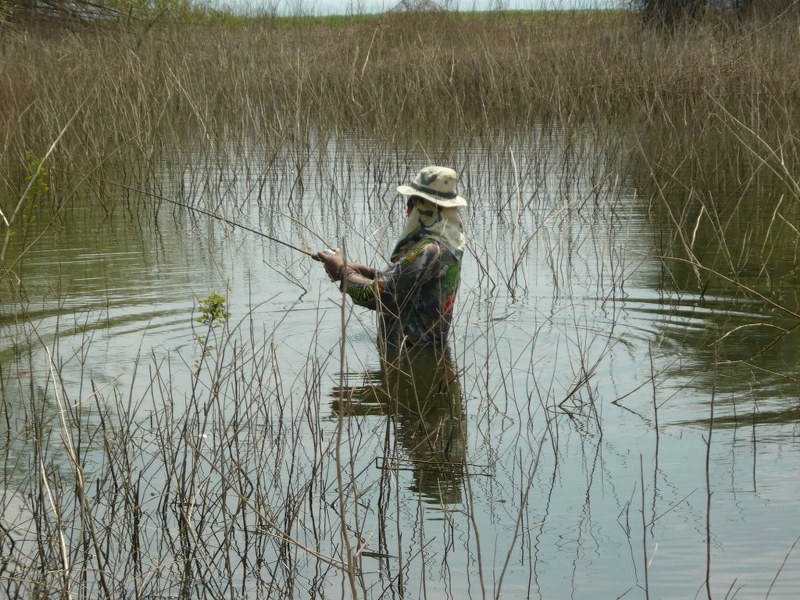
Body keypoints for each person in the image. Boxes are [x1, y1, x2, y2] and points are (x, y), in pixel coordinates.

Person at [318, 165, 467, 352]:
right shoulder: (449, 242)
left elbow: (379, 296)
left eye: (411, 202)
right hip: (428, 354)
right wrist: (369, 272)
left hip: (411, 360)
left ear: (422, 206)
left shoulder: (428, 250)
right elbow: (409, 286)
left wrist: (341, 270)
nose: (407, 209)